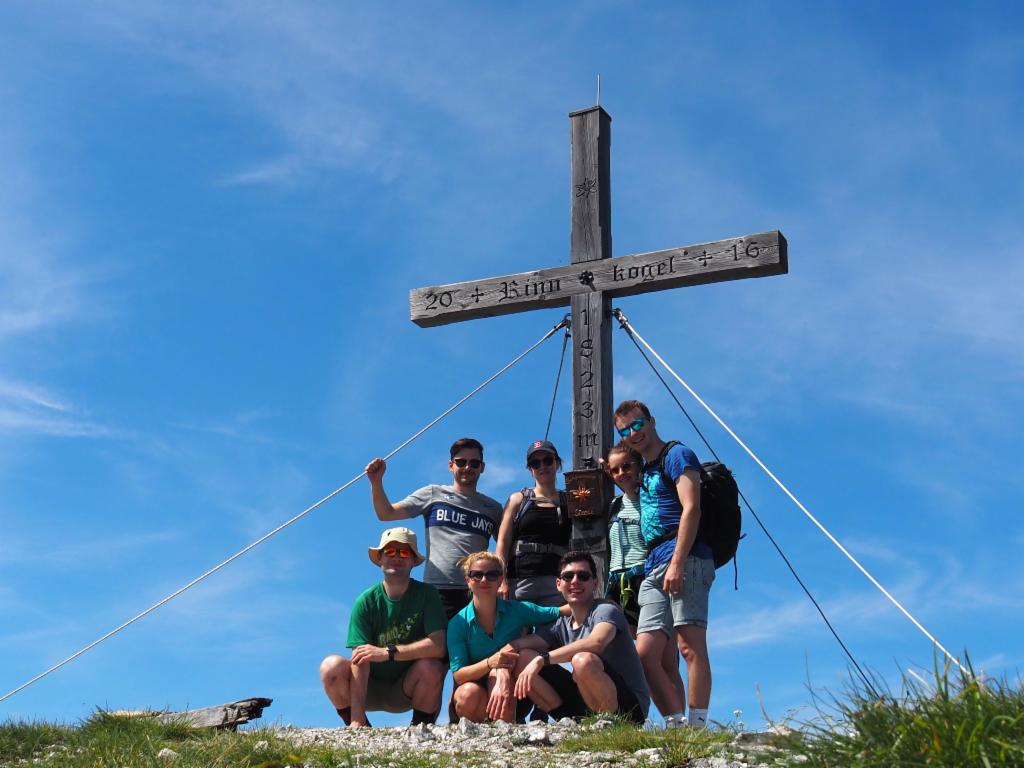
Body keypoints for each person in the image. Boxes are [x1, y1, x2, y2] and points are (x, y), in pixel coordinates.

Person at [613, 399, 714, 729]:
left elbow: (692, 509)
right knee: (645, 654)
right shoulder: (644, 468)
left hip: (684, 556)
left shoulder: (677, 455)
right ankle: (676, 723)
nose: (633, 433)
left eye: (638, 425)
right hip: (654, 562)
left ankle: (697, 727)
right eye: (625, 430)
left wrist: (677, 562)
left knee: (689, 646)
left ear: (651, 421)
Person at [319, 527, 447, 728]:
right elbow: (360, 660)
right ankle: (358, 726)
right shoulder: (366, 601)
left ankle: (421, 732)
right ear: (379, 559)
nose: (397, 557)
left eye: (404, 552)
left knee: (432, 668)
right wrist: (357, 717)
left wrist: (387, 652)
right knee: (330, 667)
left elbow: (438, 646)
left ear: (413, 561)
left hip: (406, 688)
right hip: (368, 688)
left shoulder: (427, 594)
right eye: (389, 552)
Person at [366, 438, 503, 621]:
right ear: (450, 465)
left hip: (477, 590)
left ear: (482, 467)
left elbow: (506, 546)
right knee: (438, 648)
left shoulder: (493, 508)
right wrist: (376, 482)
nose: (467, 467)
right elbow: (386, 513)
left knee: (477, 649)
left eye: (474, 463)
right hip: (437, 591)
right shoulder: (433, 494)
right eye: (461, 462)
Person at [507, 551, 650, 724]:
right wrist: (498, 668)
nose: (575, 581)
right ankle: (571, 722)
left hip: (629, 708)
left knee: (583, 660)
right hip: (586, 703)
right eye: (568, 576)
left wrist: (542, 659)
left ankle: (612, 727)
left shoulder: (606, 609)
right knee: (523, 658)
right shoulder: (560, 623)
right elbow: (517, 645)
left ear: (595, 583)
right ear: (558, 584)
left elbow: (596, 643)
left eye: (583, 576)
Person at [603, 443, 685, 719]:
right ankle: (634, 715)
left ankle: (678, 722)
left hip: (648, 577)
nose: (621, 473)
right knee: (625, 657)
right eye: (614, 469)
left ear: (639, 465)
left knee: (664, 659)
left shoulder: (652, 498)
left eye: (627, 465)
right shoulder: (614, 505)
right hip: (617, 583)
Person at [447, 551, 564, 723]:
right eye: (477, 575)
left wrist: (598, 607)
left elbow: (559, 612)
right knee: (467, 694)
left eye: (491, 574)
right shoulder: (458, 623)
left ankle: (506, 735)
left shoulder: (518, 610)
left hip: (516, 692)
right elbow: (459, 675)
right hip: (475, 696)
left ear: (501, 580)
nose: (484, 580)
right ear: (468, 581)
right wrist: (491, 663)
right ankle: (489, 735)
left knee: (502, 672)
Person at [495, 440, 571, 607]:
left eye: (548, 460)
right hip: (520, 581)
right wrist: (502, 580)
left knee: (553, 632)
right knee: (517, 632)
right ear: (530, 470)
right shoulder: (518, 499)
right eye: (535, 463)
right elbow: (502, 542)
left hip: (556, 582)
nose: (542, 466)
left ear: (557, 464)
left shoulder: (569, 502)